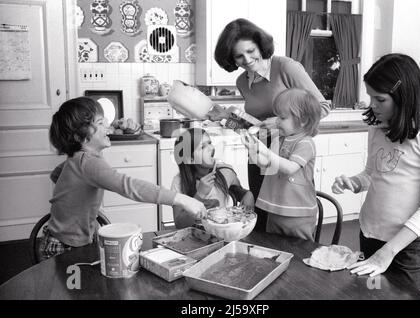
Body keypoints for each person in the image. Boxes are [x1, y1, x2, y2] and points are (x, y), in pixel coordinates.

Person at [331, 53, 420, 290]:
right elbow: (372, 174)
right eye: (370, 97)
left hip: (408, 245)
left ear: (403, 95)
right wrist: (354, 182)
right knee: (372, 293)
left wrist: (388, 252)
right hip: (370, 232)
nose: (372, 106)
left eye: (380, 99)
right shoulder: (377, 128)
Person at [42, 97, 206, 259]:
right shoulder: (88, 163)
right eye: (100, 123)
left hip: (67, 236)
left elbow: (56, 175)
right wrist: (183, 199)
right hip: (65, 245)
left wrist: (79, 201)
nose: (107, 124)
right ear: (81, 137)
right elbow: (130, 186)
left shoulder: (78, 159)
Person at [214, 18, 330, 231]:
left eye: (251, 51)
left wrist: (278, 122)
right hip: (258, 156)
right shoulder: (242, 82)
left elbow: (320, 107)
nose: (247, 59)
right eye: (239, 56)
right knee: (262, 218)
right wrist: (225, 119)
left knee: (290, 219)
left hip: (288, 155)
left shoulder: (286, 67)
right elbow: (255, 125)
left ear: (261, 46)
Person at [241, 88, 322, 240]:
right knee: (275, 247)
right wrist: (253, 151)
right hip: (275, 209)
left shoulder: (305, 143)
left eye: (282, 117)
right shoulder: (280, 139)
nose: (277, 121)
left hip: (298, 213)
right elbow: (267, 166)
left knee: (300, 251)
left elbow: (290, 168)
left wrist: (266, 151)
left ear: (303, 120)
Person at [171, 128, 254, 229]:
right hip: (192, 239)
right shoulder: (179, 182)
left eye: (210, 142)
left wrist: (248, 194)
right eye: (202, 147)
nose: (211, 148)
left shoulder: (225, 172)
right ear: (191, 159)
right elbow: (180, 224)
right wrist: (200, 195)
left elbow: (238, 191)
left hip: (220, 237)